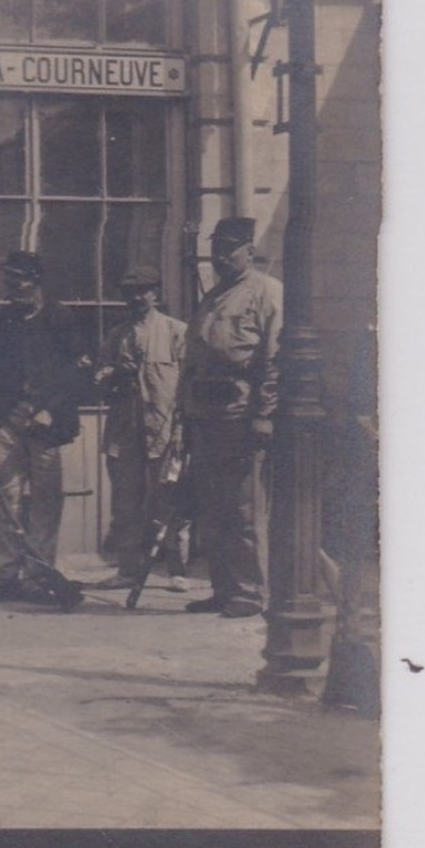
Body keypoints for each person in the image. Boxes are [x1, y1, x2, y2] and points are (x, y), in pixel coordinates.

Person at [0, 251, 91, 605]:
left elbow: (77, 369)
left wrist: (50, 409)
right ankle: (4, 576)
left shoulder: (60, 316)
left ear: (35, 281)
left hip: (46, 422)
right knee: (1, 497)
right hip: (7, 418)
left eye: (17, 282)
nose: (10, 289)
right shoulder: (5, 319)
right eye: (7, 282)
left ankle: (39, 576)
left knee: (45, 500)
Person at [179, 217, 283, 618]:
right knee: (212, 507)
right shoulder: (213, 297)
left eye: (229, 249)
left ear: (249, 251)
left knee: (243, 508)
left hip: (241, 415)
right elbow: (194, 359)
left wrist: (265, 415)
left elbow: (274, 360)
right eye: (216, 249)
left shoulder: (267, 294)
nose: (220, 257)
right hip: (206, 415)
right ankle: (223, 589)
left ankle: (251, 592)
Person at [92, 268, 190, 591]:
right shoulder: (115, 336)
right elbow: (101, 386)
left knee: (169, 500)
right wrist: (111, 376)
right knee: (125, 503)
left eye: (144, 291)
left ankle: (177, 570)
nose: (136, 298)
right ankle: (128, 569)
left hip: (164, 430)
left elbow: (188, 387)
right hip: (124, 431)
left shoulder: (177, 333)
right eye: (130, 292)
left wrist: (181, 428)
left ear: (156, 295)